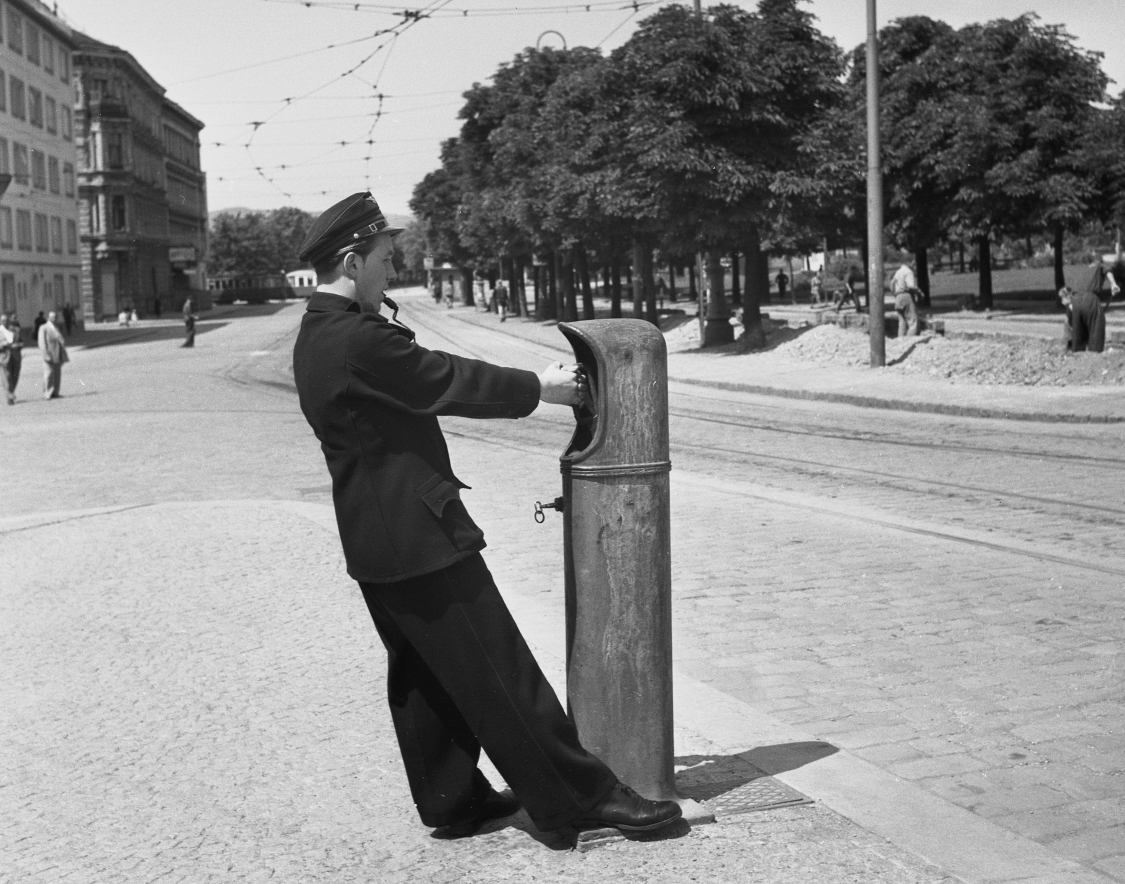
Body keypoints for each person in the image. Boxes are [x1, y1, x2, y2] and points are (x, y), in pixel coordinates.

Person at [291, 192, 682, 840]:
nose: (392, 271)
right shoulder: (356, 341)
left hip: (373, 539)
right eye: (386, 260)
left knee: (424, 678)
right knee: (501, 670)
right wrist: (540, 388)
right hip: (417, 537)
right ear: (353, 260)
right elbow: (444, 378)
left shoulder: (317, 334)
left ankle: (453, 801)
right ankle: (578, 799)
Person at [1060, 286, 1105, 353]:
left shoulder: (1071, 304)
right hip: (1094, 305)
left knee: (1076, 330)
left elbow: (1072, 324)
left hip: (1084, 310)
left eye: (1062, 298)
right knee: (1095, 331)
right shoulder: (1077, 297)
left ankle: (1077, 350)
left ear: (1066, 296)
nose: (1061, 301)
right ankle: (1095, 351)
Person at [37, 310, 68, 399]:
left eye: (55, 317)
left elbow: (60, 339)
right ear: (48, 317)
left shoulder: (56, 327)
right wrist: (45, 354)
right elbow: (41, 342)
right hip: (49, 354)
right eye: (52, 317)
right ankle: (47, 392)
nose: (54, 318)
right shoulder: (44, 327)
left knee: (57, 374)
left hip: (57, 354)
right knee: (48, 373)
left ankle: (55, 392)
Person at [889, 260, 920, 337]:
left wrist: (894, 294)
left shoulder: (898, 272)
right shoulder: (908, 272)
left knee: (902, 321)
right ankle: (909, 339)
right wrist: (919, 292)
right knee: (912, 321)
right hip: (906, 295)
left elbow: (892, 283)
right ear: (909, 263)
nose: (914, 266)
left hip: (898, 296)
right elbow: (911, 286)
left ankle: (900, 339)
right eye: (914, 264)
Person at [1, 314, 23, 404]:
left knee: (15, 376)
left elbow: (22, 342)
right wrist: (3, 345)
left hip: (16, 356)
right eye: (3, 321)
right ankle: (10, 396)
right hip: (4, 357)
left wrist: (17, 345)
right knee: (6, 377)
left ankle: (11, 392)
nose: (5, 322)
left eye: (6, 320)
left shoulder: (15, 330)